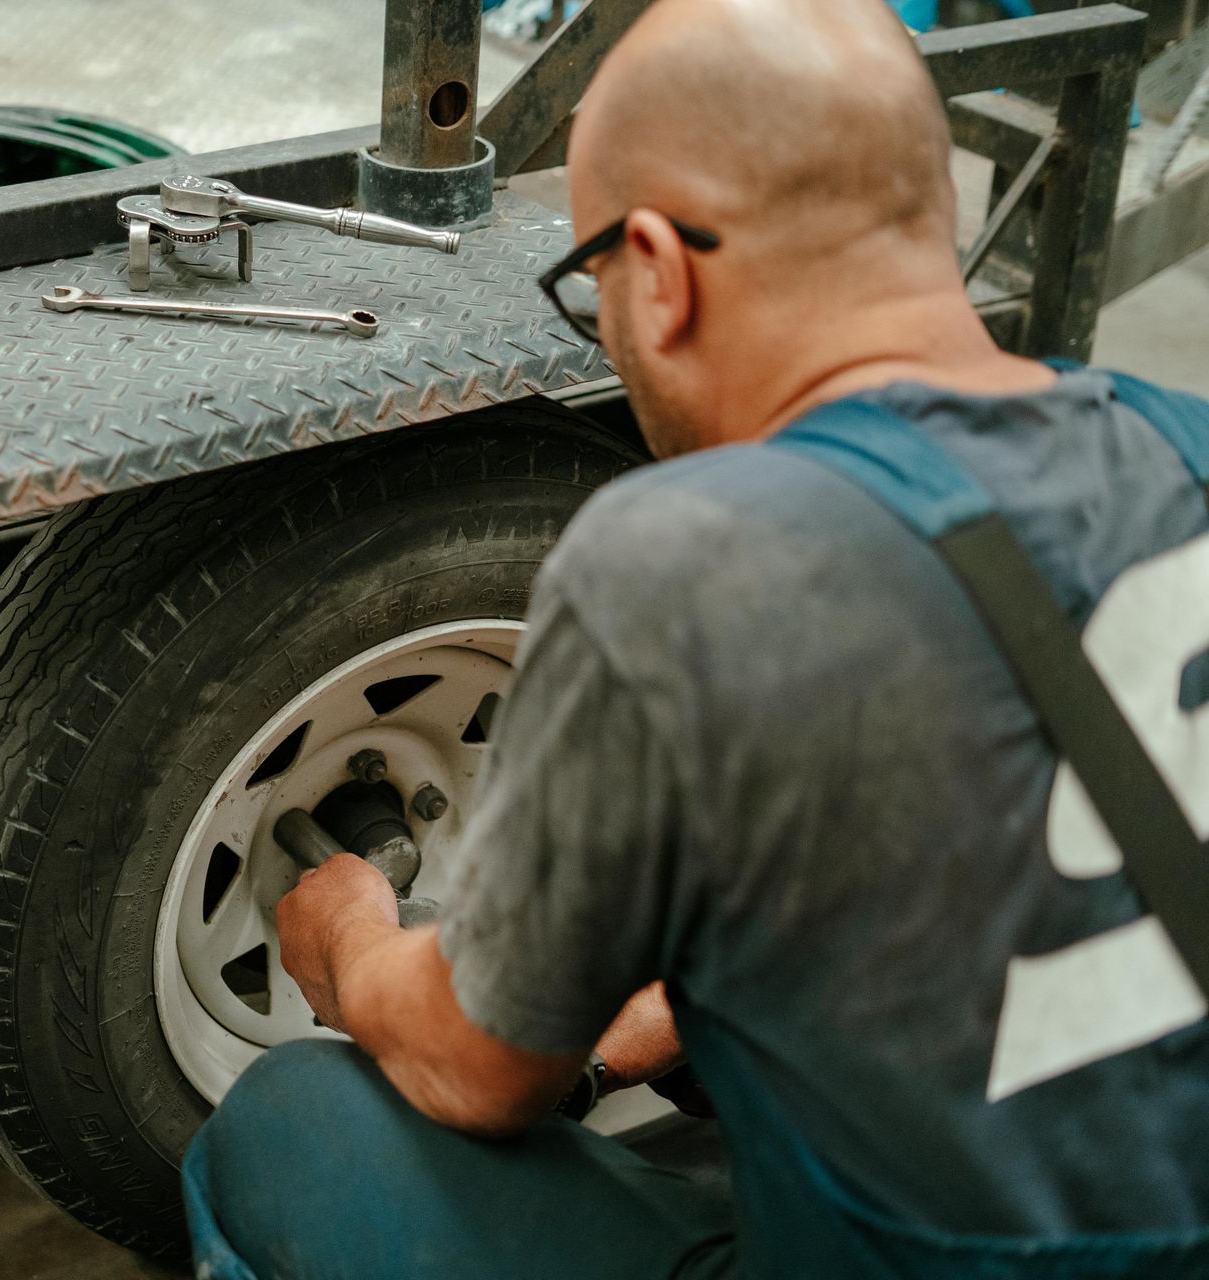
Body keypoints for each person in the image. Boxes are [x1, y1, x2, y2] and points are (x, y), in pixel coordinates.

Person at [177, 0, 1209, 1276]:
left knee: (291, 1126)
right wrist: (675, 1001)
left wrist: (352, 933)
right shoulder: (1188, 448)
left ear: (658, 270)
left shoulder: (688, 560)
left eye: (592, 290)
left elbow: (471, 1066)